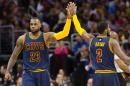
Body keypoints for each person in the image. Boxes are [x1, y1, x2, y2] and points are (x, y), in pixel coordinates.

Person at [4, 5, 72, 86]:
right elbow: (13, 57)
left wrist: (69, 18)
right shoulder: (22, 39)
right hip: (28, 73)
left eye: (35, 24)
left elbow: (65, 33)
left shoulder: (46, 36)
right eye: (31, 24)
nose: (33, 26)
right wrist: (8, 70)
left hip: (43, 73)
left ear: (40, 25)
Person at [67, 2, 130, 86]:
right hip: (110, 75)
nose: (109, 29)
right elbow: (125, 59)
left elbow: (80, 30)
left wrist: (74, 16)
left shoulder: (91, 39)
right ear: (105, 30)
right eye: (108, 28)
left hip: (97, 75)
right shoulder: (112, 41)